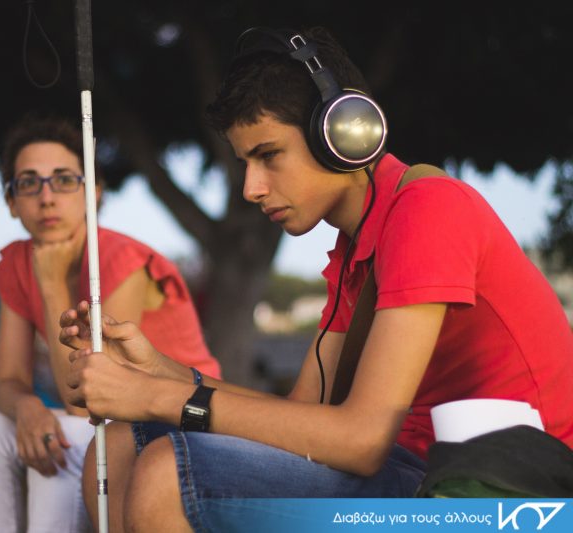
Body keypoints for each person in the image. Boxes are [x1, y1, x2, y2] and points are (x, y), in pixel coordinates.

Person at [60, 26, 573, 532]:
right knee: (122, 443)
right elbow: (300, 417)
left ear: (343, 133)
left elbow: (361, 440)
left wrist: (156, 398)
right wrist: (159, 372)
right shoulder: (354, 253)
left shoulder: (428, 211)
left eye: (268, 155)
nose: (251, 188)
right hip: (417, 471)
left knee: (168, 474)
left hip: (503, 492)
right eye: (244, 163)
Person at [0, 115, 221, 533]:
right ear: (11, 202)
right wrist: (26, 407)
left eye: (64, 180)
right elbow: (9, 380)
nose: (47, 198)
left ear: (93, 193)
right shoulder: (16, 263)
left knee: (62, 434)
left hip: (175, 418)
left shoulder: (119, 258)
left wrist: (51, 283)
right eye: (29, 183)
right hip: (101, 418)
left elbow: (88, 401)